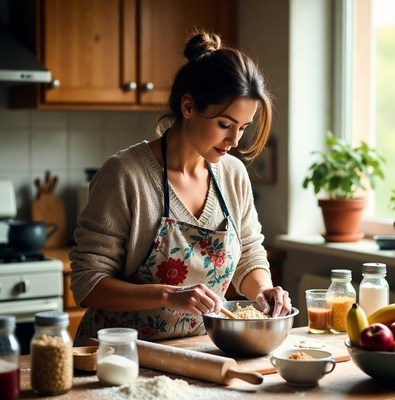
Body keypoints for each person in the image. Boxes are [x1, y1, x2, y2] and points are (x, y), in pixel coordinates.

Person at [70, 30, 292, 345]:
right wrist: (168, 295)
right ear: (188, 107)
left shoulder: (233, 174)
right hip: (118, 356)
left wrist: (264, 290)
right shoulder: (125, 175)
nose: (235, 141)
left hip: (195, 351)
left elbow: (249, 255)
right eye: (225, 125)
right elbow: (87, 283)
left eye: (243, 128)